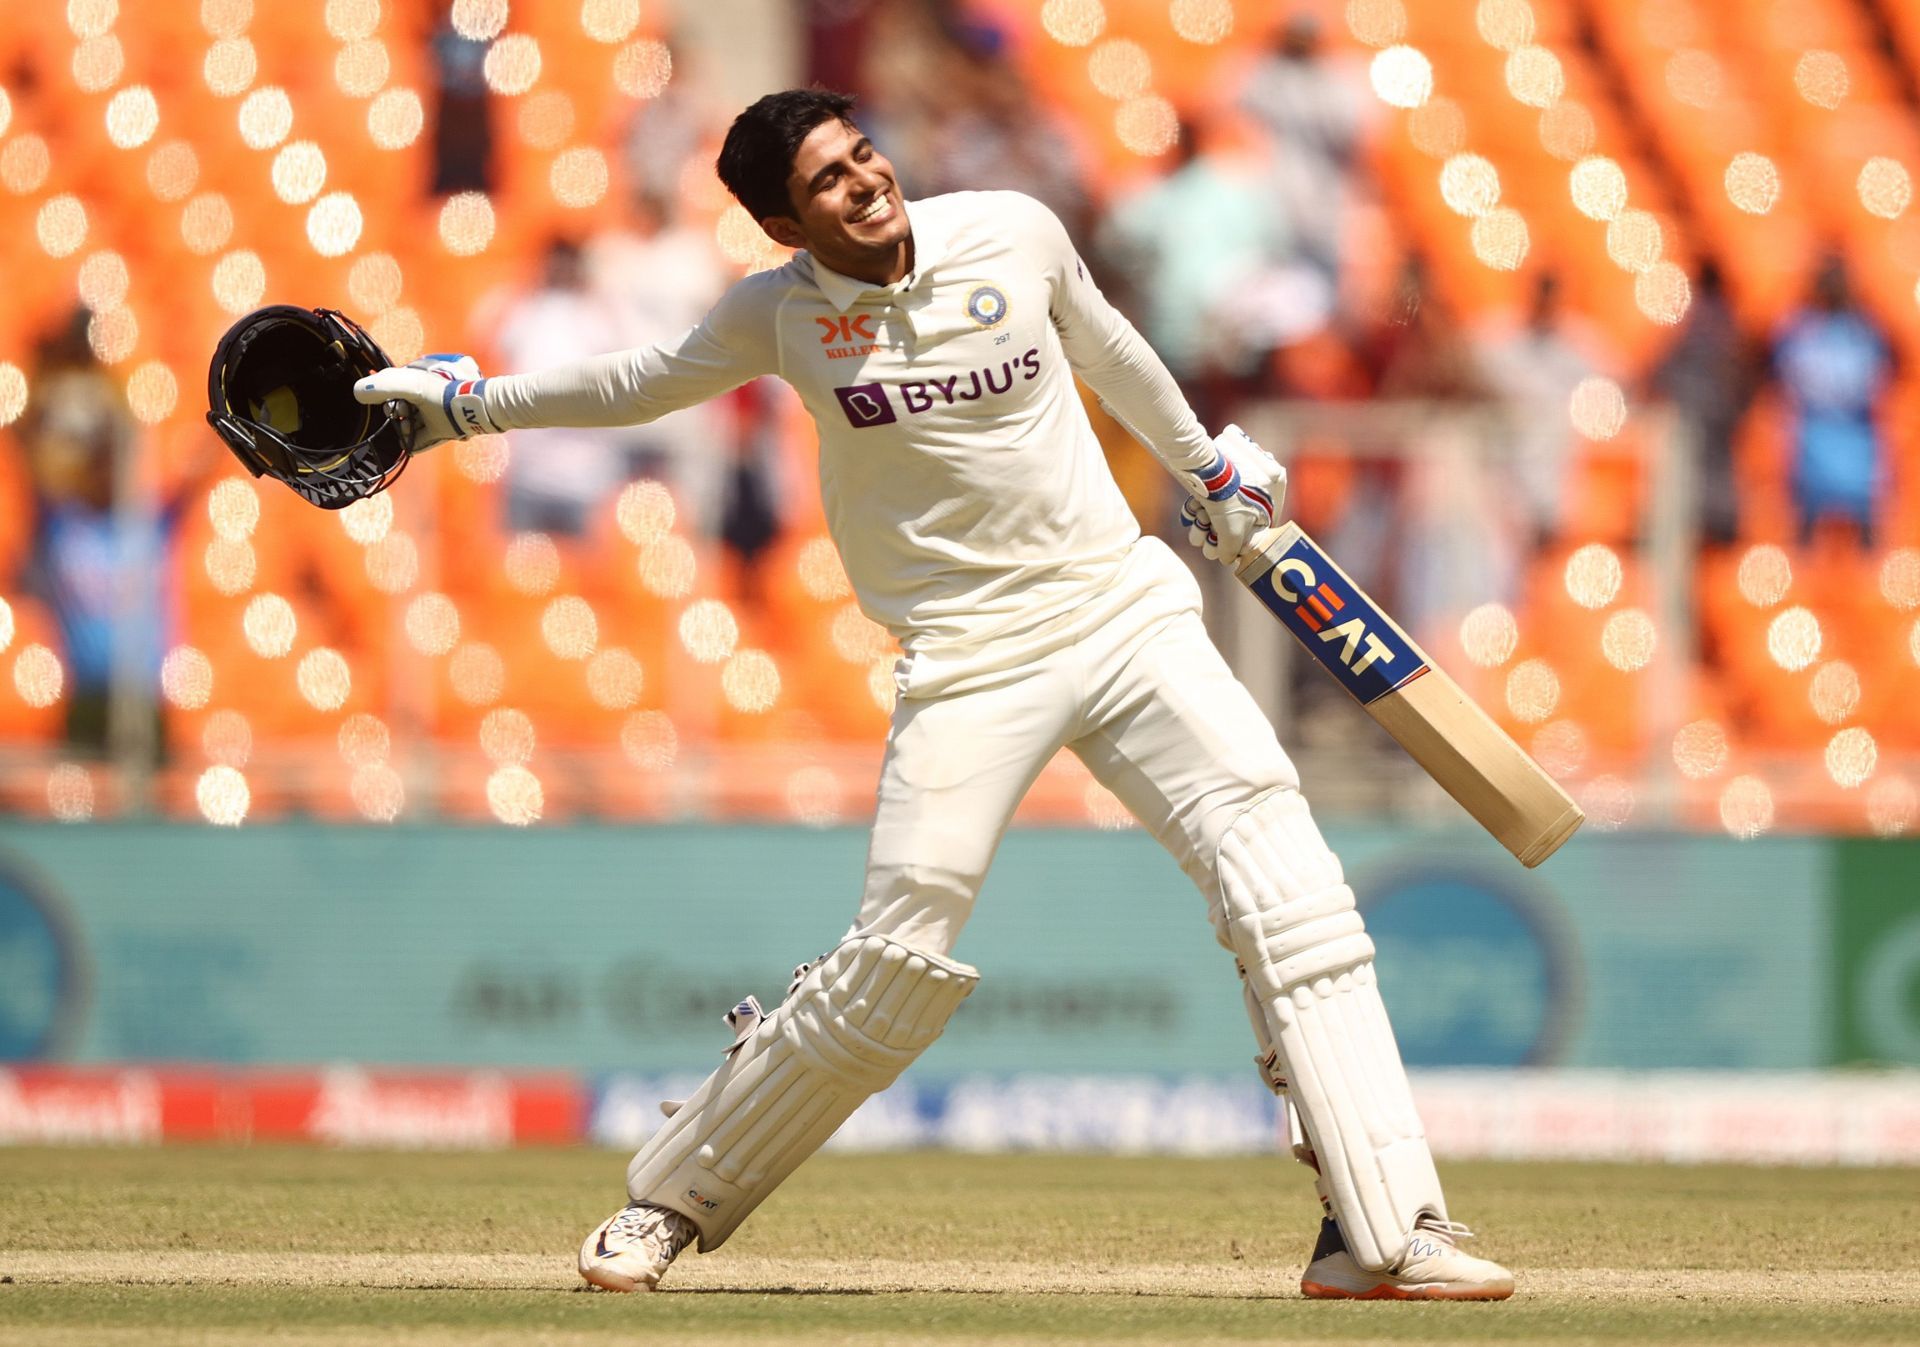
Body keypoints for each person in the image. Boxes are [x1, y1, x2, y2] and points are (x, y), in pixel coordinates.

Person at [356, 89, 1514, 1303]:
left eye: (865, 156)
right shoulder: (783, 318)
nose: (868, 183)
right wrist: (470, 406)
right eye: (829, 183)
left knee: (1290, 889)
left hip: (1122, 605)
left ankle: (1387, 1229)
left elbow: (1110, 345)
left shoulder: (1011, 230)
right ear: (782, 223)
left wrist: (1209, 468)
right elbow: (638, 382)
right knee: (894, 959)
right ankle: (665, 1207)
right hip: (969, 656)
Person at [1772, 250, 1893, 548]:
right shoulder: (1860, 332)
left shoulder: (1810, 332)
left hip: (1850, 447)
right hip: (1820, 447)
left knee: (1861, 540)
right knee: (1809, 536)